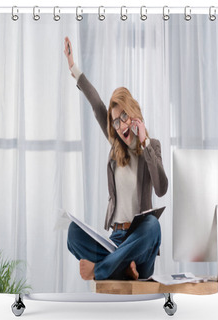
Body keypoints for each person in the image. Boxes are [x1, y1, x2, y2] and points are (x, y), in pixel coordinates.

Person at [64, 37, 168, 281]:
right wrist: (73, 67)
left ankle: (102, 270)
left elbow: (162, 189)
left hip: (139, 238)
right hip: (118, 238)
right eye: (115, 120)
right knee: (72, 234)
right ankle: (123, 268)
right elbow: (96, 103)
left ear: (133, 114)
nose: (120, 124)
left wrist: (144, 142)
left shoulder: (151, 147)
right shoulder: (115, 146)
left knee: (153, 227)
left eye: (124, 117)